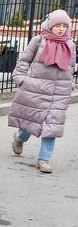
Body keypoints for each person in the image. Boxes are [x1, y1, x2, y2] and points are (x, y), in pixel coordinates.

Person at [8, 9, 75, 173]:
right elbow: (23, 61)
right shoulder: (38, 41)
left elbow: (71, 67)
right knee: (29, 124)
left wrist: (70, 84)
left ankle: (44, 160)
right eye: (57, 25)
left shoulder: (70, 45)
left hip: (59, 92)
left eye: (64, 26)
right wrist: (20, 79)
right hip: (36, 89)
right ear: (50, 25)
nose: (61, 29)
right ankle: (19, 138)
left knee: (52, 127)